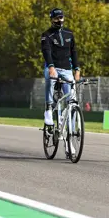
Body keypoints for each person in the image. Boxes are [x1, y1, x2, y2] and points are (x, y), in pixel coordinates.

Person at [41, 8, 80, 156]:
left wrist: (77, 69)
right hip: (53, 67)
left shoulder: (69, 34)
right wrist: (51, 67)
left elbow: (74, 52)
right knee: (50, 80)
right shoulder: (46, 35)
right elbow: (46, 52)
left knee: (72, 100)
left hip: (67, 70)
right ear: (52, 19)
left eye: (61, 18)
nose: (59, 20)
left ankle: (70, 143)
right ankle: (49, 109)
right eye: (56, 18)